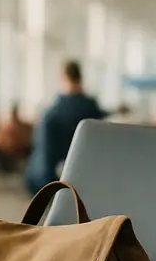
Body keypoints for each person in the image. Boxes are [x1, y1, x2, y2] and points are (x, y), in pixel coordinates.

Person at [24, 60, 105, 193]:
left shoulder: (52, 112)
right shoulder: (91, 108)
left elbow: (44, 152)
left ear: (62, 78)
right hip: (85, 171)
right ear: (80, 77)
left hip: (53, 175)